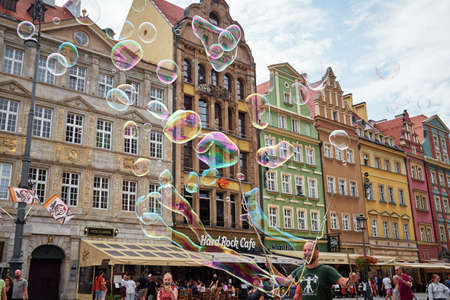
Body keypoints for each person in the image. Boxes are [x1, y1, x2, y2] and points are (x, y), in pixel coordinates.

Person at [270, 241, 357, 300]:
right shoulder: (300, 271)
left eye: (310, 250)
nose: (307, 252)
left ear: (317, 252)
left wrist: (351, 279)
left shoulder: (327, 270)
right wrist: (272, 268)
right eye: (305, 250)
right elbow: (285, 282)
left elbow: (344, 284)